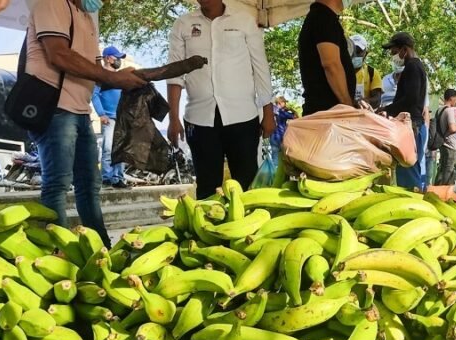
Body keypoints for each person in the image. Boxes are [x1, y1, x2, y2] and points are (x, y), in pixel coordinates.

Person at [25, 0, 146, 246]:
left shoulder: (86, 17)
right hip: (55, 108)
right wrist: (113, 77)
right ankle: (58, 252)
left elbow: (93, 71)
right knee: (57, 184)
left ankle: (100, 246)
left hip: (80, 111)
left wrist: (124, 78)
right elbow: (59, 55)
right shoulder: (52, 4)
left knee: (90, 184)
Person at [167, 0, 274, 199]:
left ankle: (248, 220)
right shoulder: (183, 24)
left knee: (247, 184)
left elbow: (260, 67)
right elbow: (174, 74)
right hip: (199, 119)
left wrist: (268, 112)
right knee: (207, 188)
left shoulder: (244, 21)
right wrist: (173, 118)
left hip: (243, 116)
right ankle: (209, 219)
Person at [380, 32, 428, 190]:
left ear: (404, 50)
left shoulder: (412, 67)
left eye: (394, 52)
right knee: (407, 170)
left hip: (411, 125)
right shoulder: (415, 66)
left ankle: (411, 201)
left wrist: (386, 109)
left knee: (408, 172)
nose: (393, 56)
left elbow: (411, 98)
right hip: (413, 125)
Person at [298, 0, 356, 116]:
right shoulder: (323, 17)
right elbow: (331, 64)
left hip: (328, 111)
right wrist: (347, 104)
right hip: (328, 113)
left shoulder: (322, 17)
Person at [92, 46, 128, 189]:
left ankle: (118, 178)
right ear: (107, 58)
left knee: (121, 149)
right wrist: (101, 114)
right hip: (109, 118)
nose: (119, 60)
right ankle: (106, 178)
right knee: (108, 148)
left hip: (122, 118)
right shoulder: (101, 76)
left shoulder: (120, 76)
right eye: (116, 57)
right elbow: (94, 95)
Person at [435, 89, 456, 185]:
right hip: (451, 145)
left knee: (442, 169)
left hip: (443, 143)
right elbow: (452, 128)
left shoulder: (439, 110)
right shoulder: (449, 111)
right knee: (448, 170)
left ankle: (436, 188)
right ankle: (444, 189)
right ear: (452, 98)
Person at [350, 34, 383, 109]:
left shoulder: (372, 73)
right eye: (352, 51)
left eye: (358, 52)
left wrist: (364, 102)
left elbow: (377, 100)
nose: (355, 55)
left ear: (366, 53)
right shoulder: (340, 71)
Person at [270, 96, 297, 165]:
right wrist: (291, 109)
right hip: (280, 137)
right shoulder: (281, 112)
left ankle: (274, 170)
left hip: (272, 137)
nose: (285, 104)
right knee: (283, 158)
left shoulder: (272, 110)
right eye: (284, 102)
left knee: (274, 157)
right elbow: (296, 117)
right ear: (281, 103)